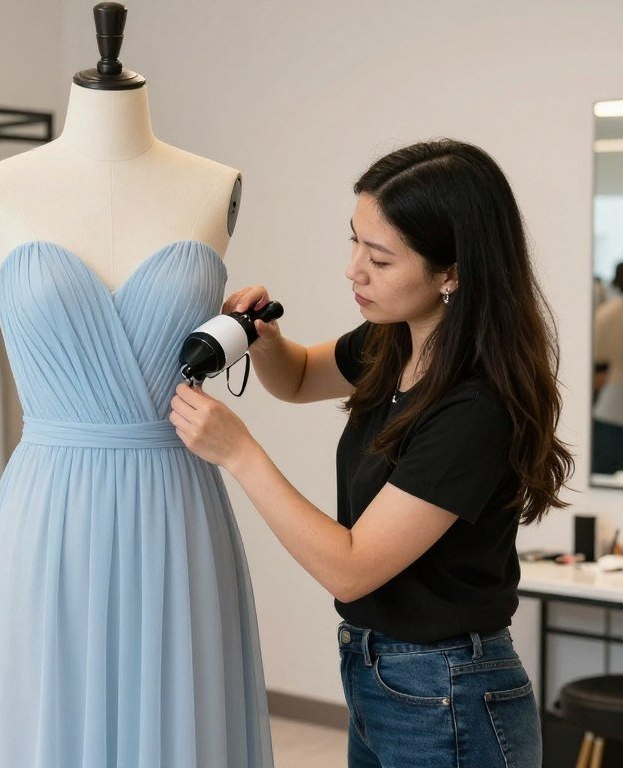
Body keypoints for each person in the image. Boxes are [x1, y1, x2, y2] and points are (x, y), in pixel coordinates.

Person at [170, 139, 573, 768]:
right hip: (377, 671)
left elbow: (352, 568)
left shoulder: (475, 408)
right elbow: (300, 377)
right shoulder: (396, 342)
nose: (353, 269)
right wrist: (267, 340)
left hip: (448, 692)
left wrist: (239, 453)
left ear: (453, 272)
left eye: (379, 259)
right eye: (354, 241)